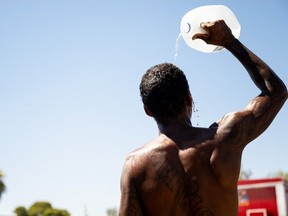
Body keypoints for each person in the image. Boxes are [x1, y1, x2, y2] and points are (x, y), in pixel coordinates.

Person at [119, 20, 287, 216]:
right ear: (189, 99)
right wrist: (229, 41)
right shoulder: (224, 138)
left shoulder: (135, 166)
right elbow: (276, 92)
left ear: (147, 110)